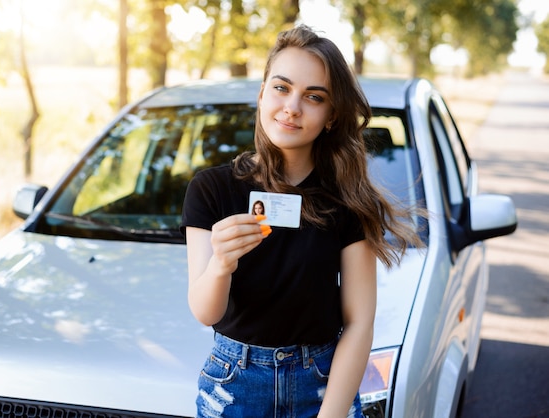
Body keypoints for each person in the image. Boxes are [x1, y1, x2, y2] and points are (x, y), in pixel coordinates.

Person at [181, 25, 422, 418]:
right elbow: (206, 312)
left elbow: (360, 324)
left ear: (330, 117)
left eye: (314, 97)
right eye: (281, 88)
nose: (292, 106)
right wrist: (220, 265)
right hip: (234, 386)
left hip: (323, 385)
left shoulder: (347, 200)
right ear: (261, 95)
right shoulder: (211, 189)